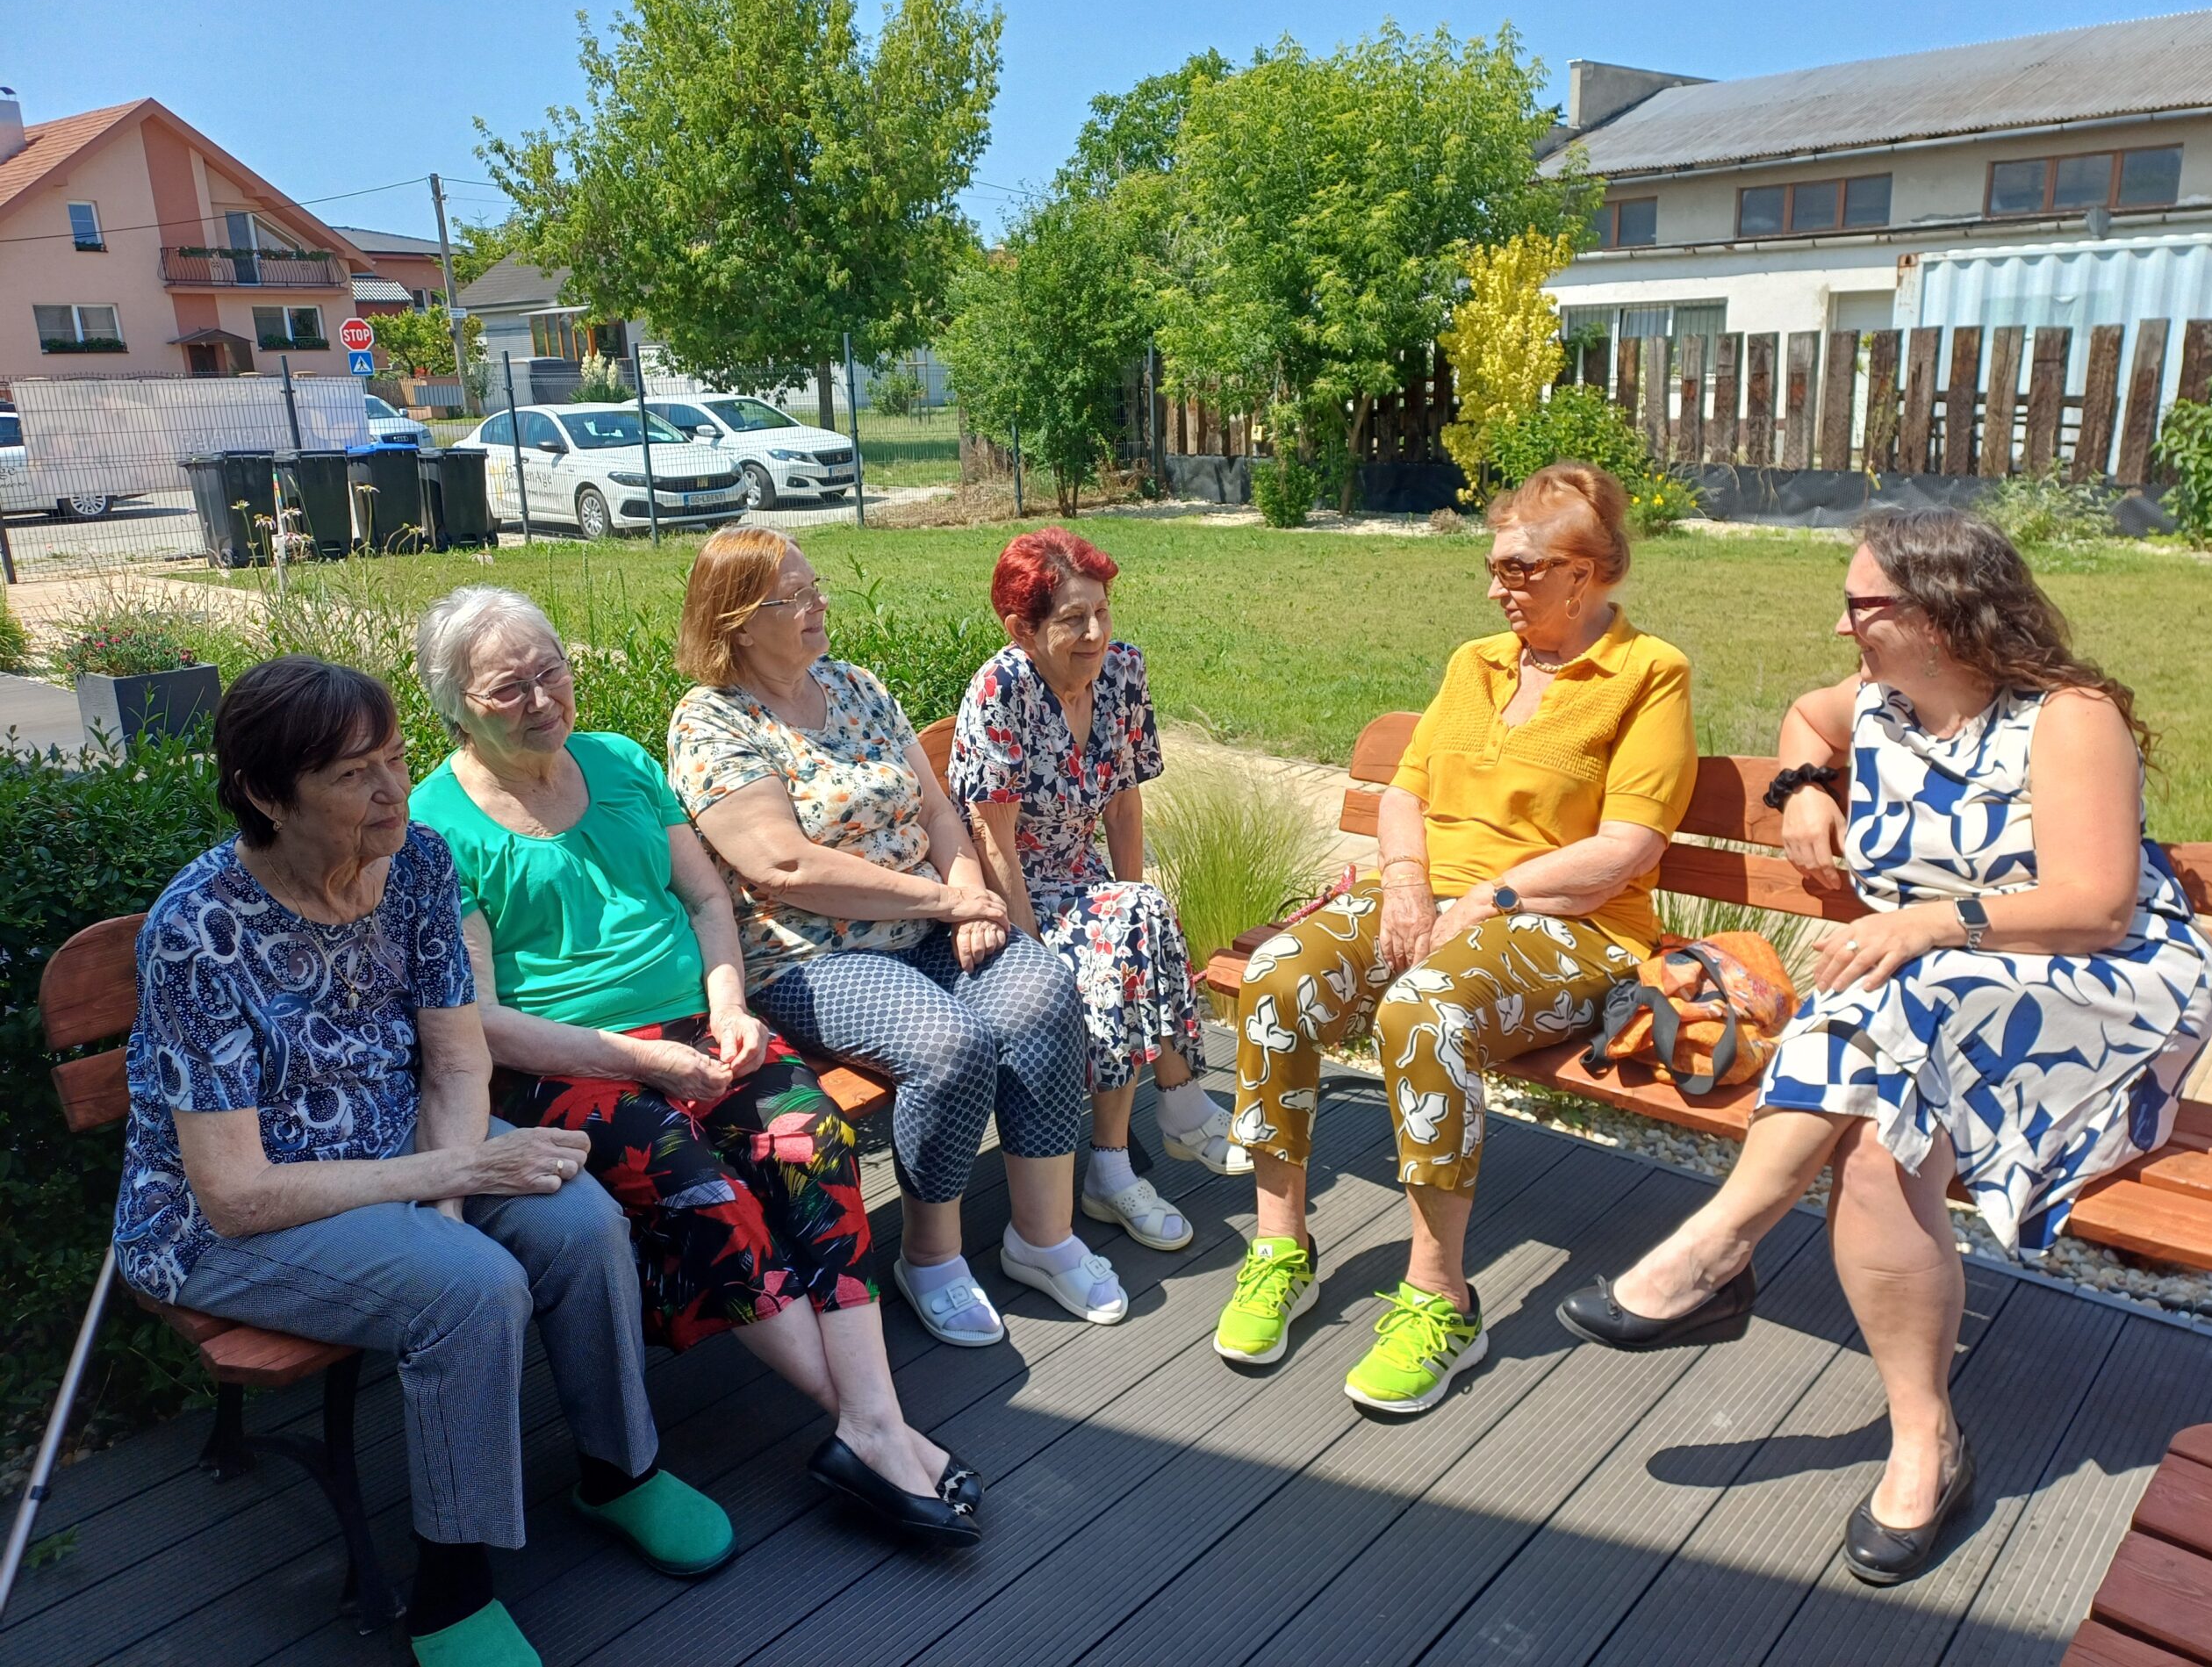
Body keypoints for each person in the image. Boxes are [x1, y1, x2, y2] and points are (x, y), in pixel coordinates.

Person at [1556, 509, 2212, 1585]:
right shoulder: (1880, 705)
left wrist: (1926, 923)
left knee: (1888, 982)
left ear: (1942, 612)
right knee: (1874, 1151)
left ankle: (1717, 1246)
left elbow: (2097, 906)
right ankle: (1926, 1442)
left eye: (1861, 605)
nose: (1840, 625)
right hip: (1932, 993)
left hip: (2101, 987)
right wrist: (1801, 788)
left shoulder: (2066, 719)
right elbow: (1803, 717)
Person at [112, 657, 734, 1667]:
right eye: (353, 775)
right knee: (471, 1289)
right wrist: (449, 1187)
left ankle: (619, 1471)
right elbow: (233, 1194)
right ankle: (451, 1593)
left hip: (390, 1136)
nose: (394, 791)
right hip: (222, 1220)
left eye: (397, 760)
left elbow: (453, 1058)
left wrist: (446, 1206)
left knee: (581, 1221)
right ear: (268, 796)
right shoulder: (199, 930)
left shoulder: (418, 863)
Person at [407, 586, 977, 1547]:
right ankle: (879, 1430)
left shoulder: (620, 762)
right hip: (570, 1063)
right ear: (454, 706)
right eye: (509, 688)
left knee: (810, 1140)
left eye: (551, 671)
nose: (543, 698)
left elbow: (709, 901)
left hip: (704, 1024)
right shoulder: (435, 824)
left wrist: (728, 1009)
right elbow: (483, 1021)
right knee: (703, 1191)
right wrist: (650, 1061)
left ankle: (873, 1428)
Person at [1217, 463, 1697, 1415]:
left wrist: (1491, 897)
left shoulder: (1649, 674)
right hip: (1433, 899)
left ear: (1583, 572)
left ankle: (1442, 1301)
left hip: (1573, 926)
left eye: (1518, 569)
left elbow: (1628, 848)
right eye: (1494, 567)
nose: (1496, 589)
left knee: (1425, 1010)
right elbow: (1405, 794)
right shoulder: (1475, 664)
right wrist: (1405, 885)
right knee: (1278, 973)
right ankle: (1280, 1246)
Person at [666, 524, 1118, 1348]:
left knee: (1043, 993)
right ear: (738, 622)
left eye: (815, 587)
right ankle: (931, 1258)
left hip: (930, 918)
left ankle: (1042, 1237)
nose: (818, 604)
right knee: (949, 1046)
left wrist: (969, 890)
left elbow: (936, 809)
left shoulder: (855, 685)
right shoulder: (712, 723)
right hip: (811, 953)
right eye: (794, 598)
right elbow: (784, 867)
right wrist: (946, 904)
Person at [948, 528, 1244, 1255]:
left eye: (1102, 611)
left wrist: (1134, 917)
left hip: (1086, 885)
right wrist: (1031, 962)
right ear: (1021, 628)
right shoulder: (1002, 690)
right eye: (1073, 619)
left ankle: (1121, 1158)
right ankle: (1164, 1119)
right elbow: (993, 840)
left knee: (1136, 918)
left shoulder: (1122, 672)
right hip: (1010, 898)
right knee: (1126, 928)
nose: (1095, 633)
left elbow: (1124, 805)